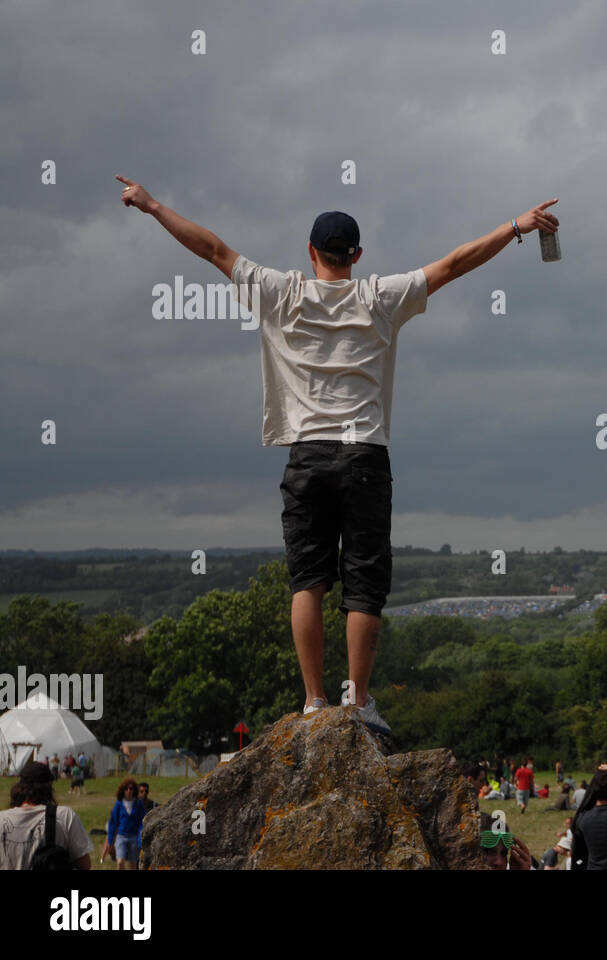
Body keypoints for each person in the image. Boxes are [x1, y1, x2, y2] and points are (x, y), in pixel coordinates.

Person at [116, 174, 560, 735]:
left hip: (306, 456)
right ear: (357, 256)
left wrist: (152, 205)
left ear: (310, 253)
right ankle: (358, 702)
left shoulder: (280, 292)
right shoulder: (380, 296)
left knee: (309, 580)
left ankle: (313, 701)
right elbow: (454, 263)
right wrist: (517, 226)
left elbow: (212, 248)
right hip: (365, 456)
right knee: (364, 584)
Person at [0, 761, 93, 870]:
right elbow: (84, 864)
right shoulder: (64, 816)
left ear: (18, 787)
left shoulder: (1, 819)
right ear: (49, 787)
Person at [106, 778, 147, 870]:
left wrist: (140, 840)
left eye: (131, 788)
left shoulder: (138, 803)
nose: (128, 790)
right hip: (121, 837)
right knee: (120, 862)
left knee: (133, 864)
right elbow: (113, 823)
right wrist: (110, 840)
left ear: (134, 790)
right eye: (126, 788)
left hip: (134, 837)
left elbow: (142, 823)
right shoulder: (119, 804)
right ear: (123, 790)